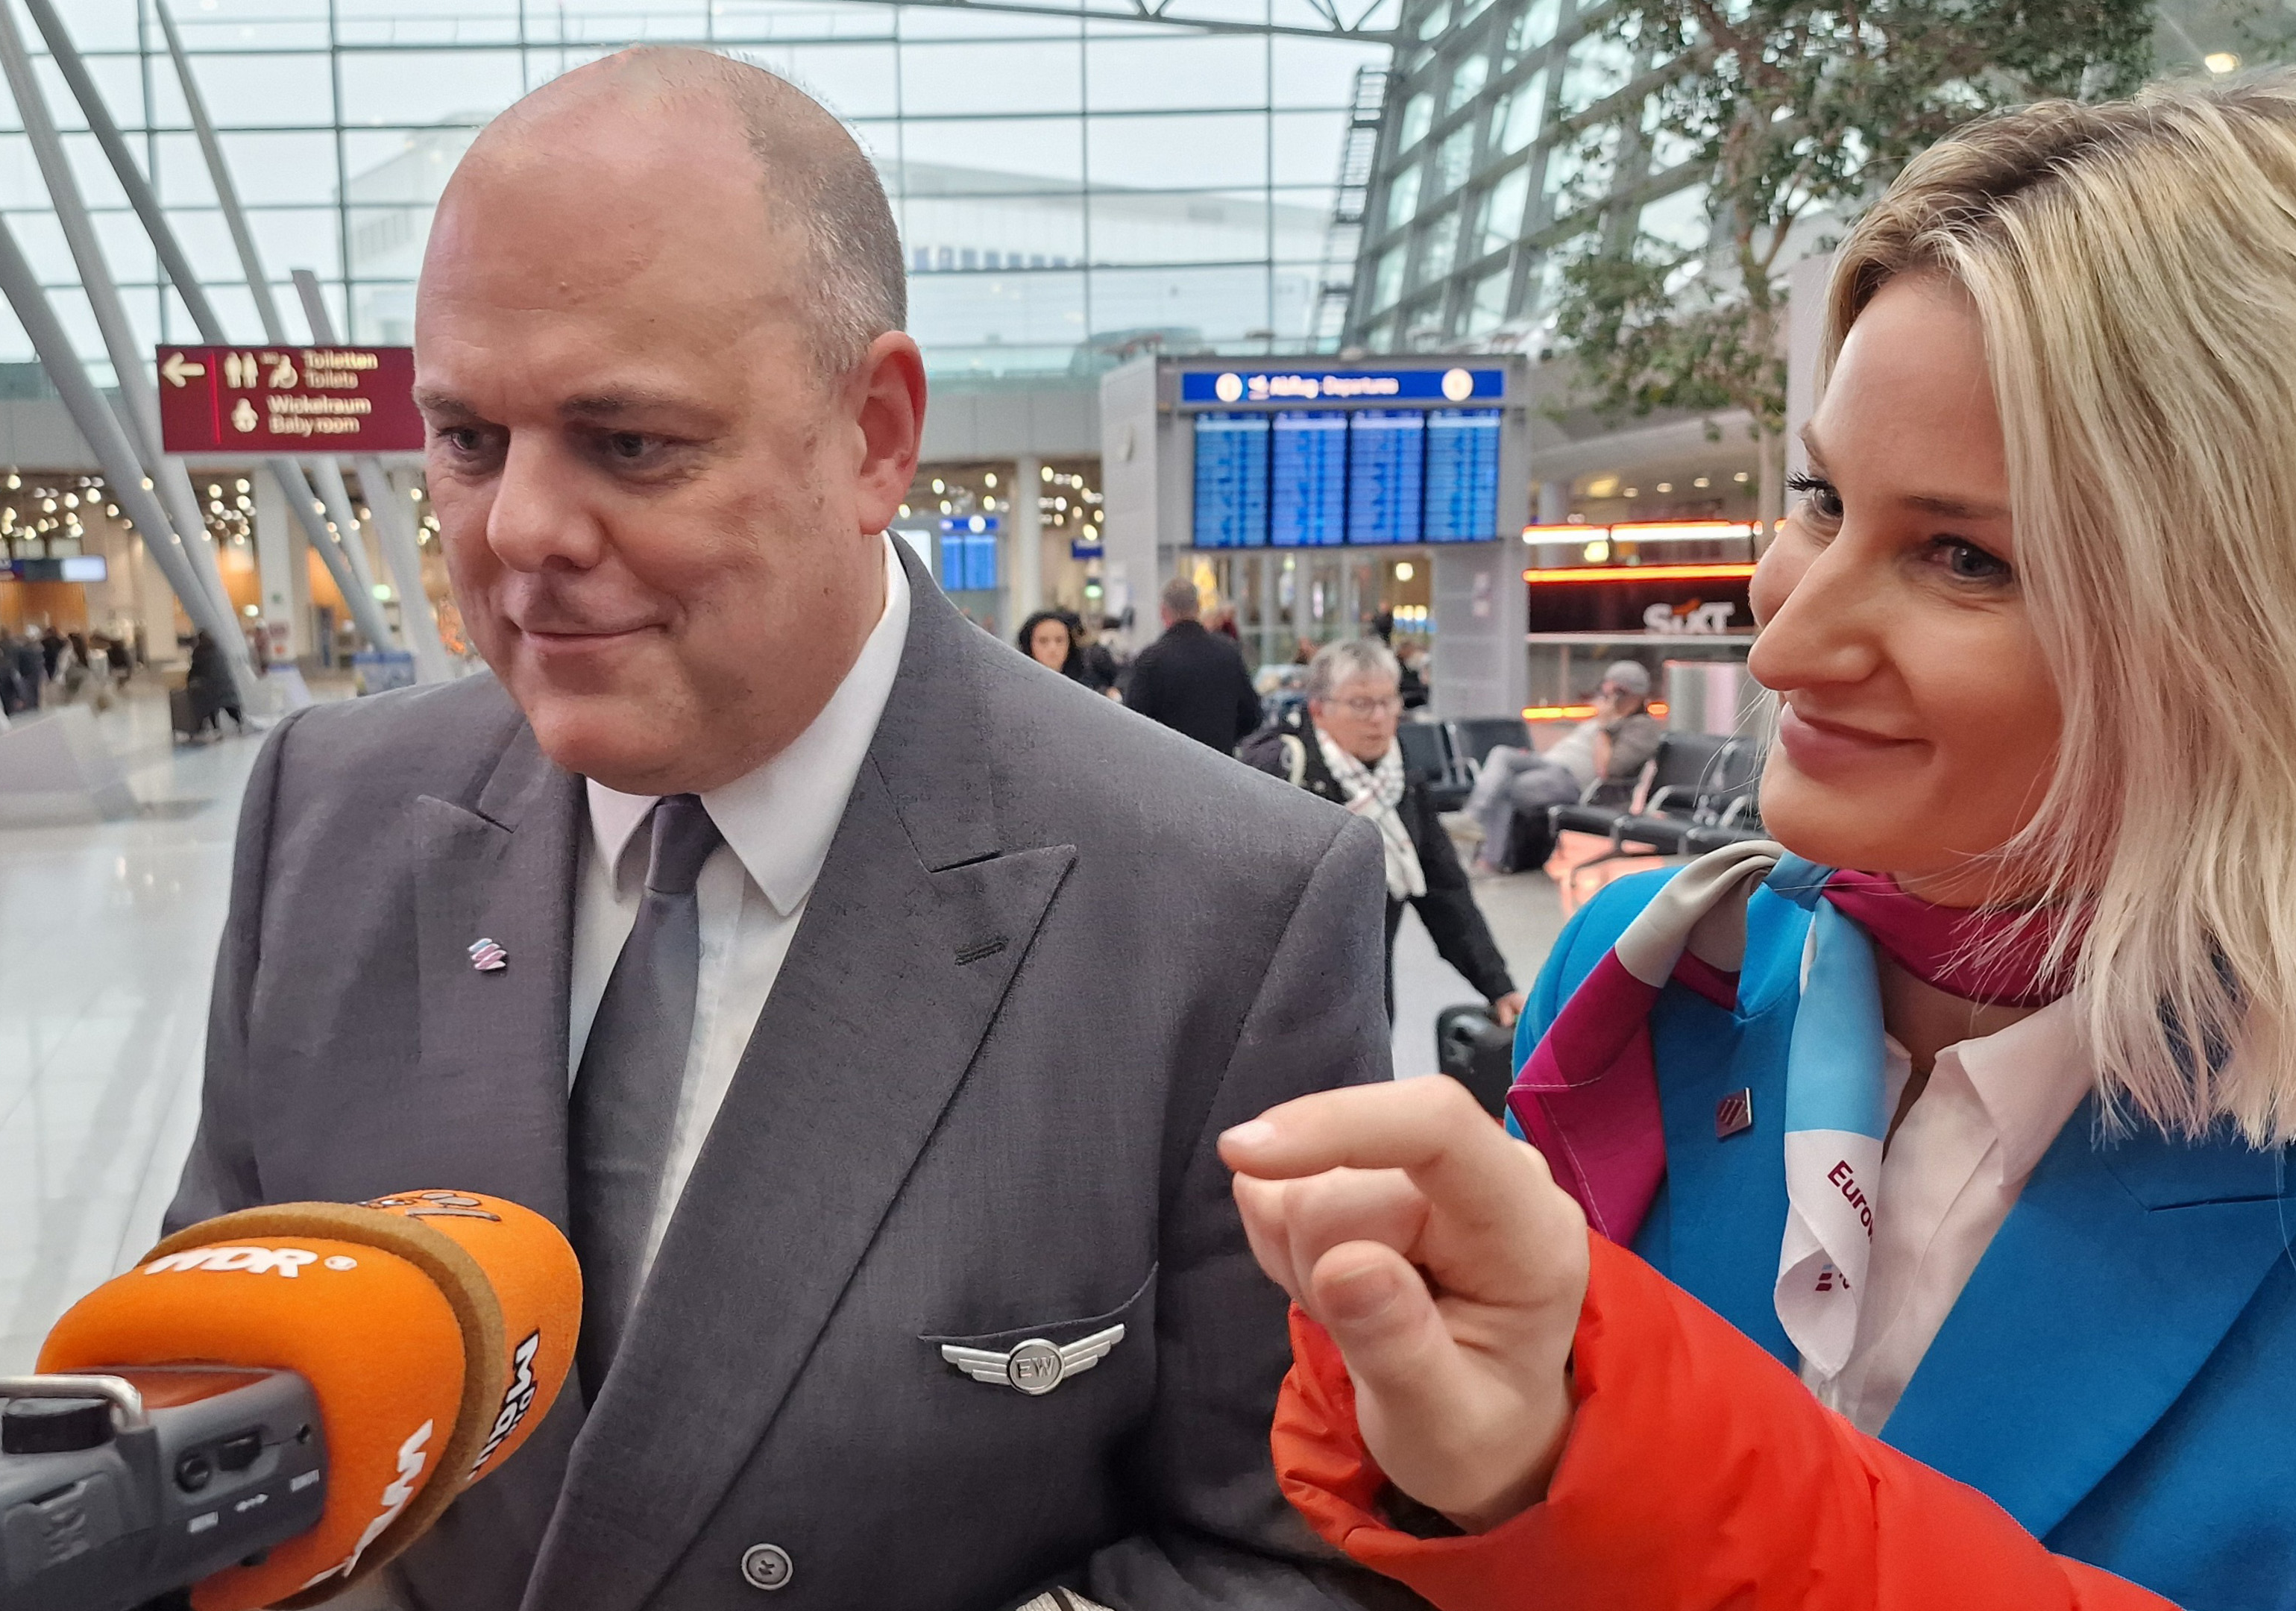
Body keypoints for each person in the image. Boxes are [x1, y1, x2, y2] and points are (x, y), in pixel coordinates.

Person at [172, 46, 1392, 1611]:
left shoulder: (1225, 909)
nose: (521, 532)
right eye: (468, 440)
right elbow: (225, 1413)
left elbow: (1288, 1556)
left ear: (875, 435)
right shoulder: (325, 820)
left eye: (629, 444)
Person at [1228, 71, 2296, 1610]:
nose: (1779, 641)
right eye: (1817, 499)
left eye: (1964, 556)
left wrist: (1592, 1454)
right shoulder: (1653, 976)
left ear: (2281, 629)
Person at [1243, 639, 1521, 1029]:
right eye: (1360, 704)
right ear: (1319, 709)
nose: (1378, 718)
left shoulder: (1401, 780)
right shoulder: (1279, 771)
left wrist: (1497, 986)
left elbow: (1445, 892)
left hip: (1368, 1000)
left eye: (1388, 702)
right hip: (1279, 1004)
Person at [1459, 660, 1661, 873]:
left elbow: (1608, 770)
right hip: (1549, 766)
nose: (1605, 696)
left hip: (1573, 782)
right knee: (1501, 754)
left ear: (1630, 694)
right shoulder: (1609, 716)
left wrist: (1603, 727)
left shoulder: (1641, 727)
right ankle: (1473, 821)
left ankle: (1486, 852)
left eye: (1612, 692)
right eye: (1605, 689)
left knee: (1506, 787)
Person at [1123, 576, 1262, 753]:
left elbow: (1133, 723)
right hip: (1220, 767)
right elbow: (1252, 716)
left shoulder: (1152, 660)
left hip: (1169, 767)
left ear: (1163, 611)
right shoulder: (1228, 654)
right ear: (1198, 608)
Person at [1014, 607, 1108, 692]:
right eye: (1043, 641)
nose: (1052, 648)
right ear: (1029, 644)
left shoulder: (1089, 685)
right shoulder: (1018, 685)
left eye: (1059, 640)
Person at [184, 629, 242, 738]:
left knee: (207, 706)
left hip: (210, 688)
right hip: (226, 687)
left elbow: (196, 669)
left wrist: (189, 679)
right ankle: (239, 724)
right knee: (229, 706)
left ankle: (213, 727)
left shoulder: (200, 652)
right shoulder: (219, 650)